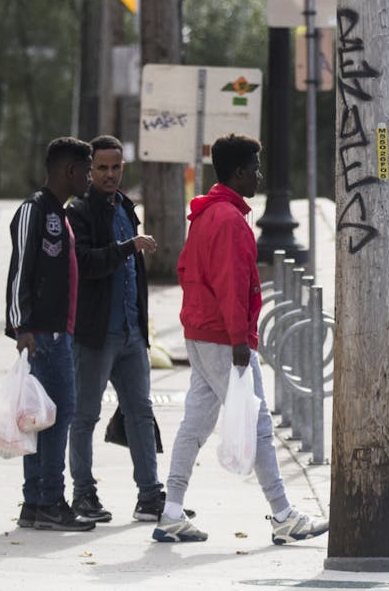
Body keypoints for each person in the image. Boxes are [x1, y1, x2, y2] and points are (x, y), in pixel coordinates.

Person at [154, 134, 328, 545]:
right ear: (239, 172)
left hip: (200, 332)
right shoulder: (230, 221)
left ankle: (172, 512)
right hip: (223, 337)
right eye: (255, 167)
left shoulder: (205, 214)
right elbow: (232, 285)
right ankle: (284, 515)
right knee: (259, 423)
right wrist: (238, 341)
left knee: (194, 424)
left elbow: (186, 270)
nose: (259, 175)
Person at [65, 135, 165, 524]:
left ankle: (150, 496)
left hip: (130, 333)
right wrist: (127, 246)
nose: (109, 174)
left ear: (124, 168)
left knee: (140, 412)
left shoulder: (125, 205)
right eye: (101, 168)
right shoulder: (81, 212)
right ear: (89, 171)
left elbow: (133, 274)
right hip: (95, 334)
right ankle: (83, 494)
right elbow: (84, 264)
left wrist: (141, 323)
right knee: (84, 415)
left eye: (115, 167)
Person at [7, 137, 94, 531]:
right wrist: (22, 326)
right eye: (87, 170)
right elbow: (20, 269)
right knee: (56, 416)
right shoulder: (34, 209)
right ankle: (48, 500)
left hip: (61, 332)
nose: (90, 179)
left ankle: (36, 502)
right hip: (42, 334)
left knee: (42, 417)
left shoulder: (61, 213)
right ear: (70, 170)